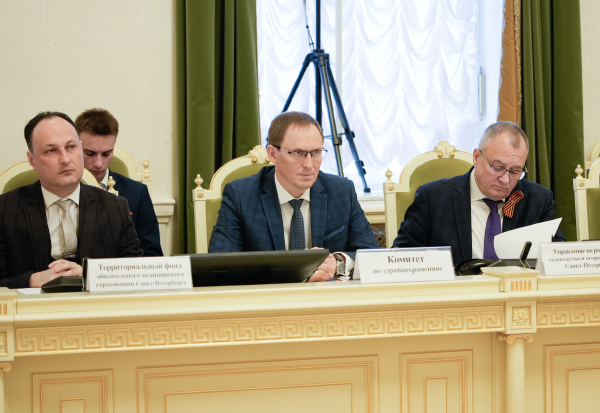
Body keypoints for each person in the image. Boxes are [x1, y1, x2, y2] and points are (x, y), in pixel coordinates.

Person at [209, 111, 379, 281]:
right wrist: (288, 275)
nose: (309, 164)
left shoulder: (341, 191)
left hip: (326, 294)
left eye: (316, 152)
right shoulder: (241, 195)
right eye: (298, 153)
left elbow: (373, 257)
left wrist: (338, 263)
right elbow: (221, 266)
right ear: (272, 154)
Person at [392, 121, 566, 267]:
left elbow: (559, 257)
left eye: (515, 171)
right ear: (476, 157)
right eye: (497, 167)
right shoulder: (433, 199)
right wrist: (425, 260)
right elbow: (399, 258)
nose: (505, 180)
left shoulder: (538, 199)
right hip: (455, 294)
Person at [0, 112, 142, 289]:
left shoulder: (114, 207)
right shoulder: (5, 210)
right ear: (32, 160)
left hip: (95, 304)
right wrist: (30, 281)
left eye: (71, 147)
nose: (65, 159)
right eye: (51, 151)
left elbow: (134, 274)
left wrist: (89, 275)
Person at [75, 108, 163, 256]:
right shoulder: (60, 188)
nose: (99, 163)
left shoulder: (137, 193)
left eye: (106, 154)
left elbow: (152, 256)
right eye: (90, 153)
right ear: (75, 146)